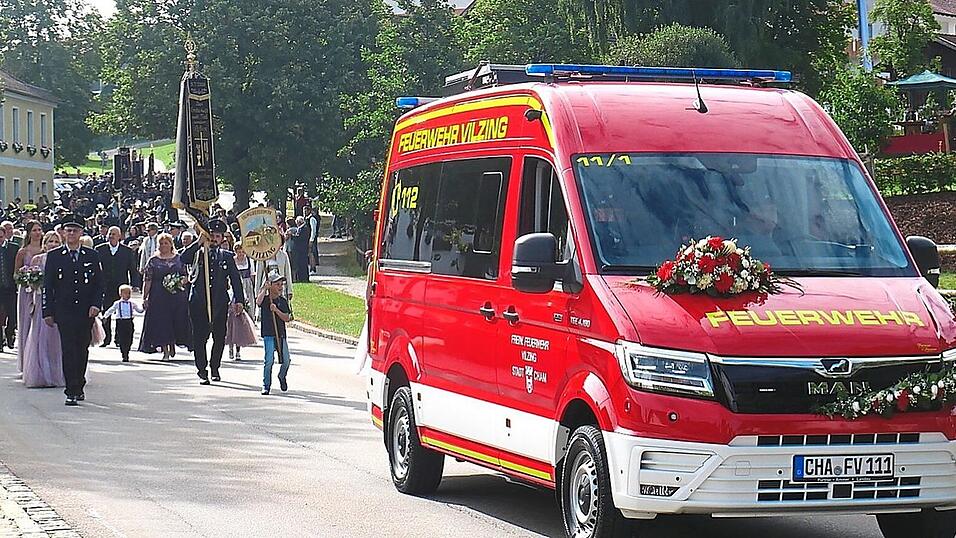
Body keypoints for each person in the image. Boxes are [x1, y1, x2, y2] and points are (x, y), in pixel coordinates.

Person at [42, 214, 104, 406]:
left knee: (82, 348)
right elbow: (48, 286)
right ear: (63, 233)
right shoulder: (54, 256)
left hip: (85, 311)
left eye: (75, 231)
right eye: (68, 231)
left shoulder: (91, 255)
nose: (71, 234)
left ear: (81, 233)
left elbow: (99, 284)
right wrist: (47, 311)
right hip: (64, 310)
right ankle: (71, 389)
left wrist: (96, 304)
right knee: (68, 349)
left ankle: (79, 383)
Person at [181, 219, 245, 384]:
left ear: (222, 238)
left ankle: (215, 366)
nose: (214, 239)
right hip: (199, 302)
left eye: (218, 236)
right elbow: (183, 258)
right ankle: (202, 370)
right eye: (212, 235)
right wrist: (198, 242)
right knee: (199, 337)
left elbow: (235, 279)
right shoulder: (198, 253)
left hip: (219, 303)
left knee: (219, 337)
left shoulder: (227, 256)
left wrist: (239, 300)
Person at [22, 231, 65, 388]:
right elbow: (30, 283)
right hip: (41, 301)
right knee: (40, 335)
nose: (53, 244)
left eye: (56, 241)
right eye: (50, 241)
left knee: (57, 338)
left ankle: (58, 372)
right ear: (44, 244)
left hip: (59, 302)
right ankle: (41, 373)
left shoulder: (63, 259)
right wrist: (34, 282)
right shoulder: (38, 259)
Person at [138, 233, 190, 360]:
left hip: (177, 295)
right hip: (158, 296)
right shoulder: (153, 260)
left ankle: (172, 343)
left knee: (176, 320)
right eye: (161, 243)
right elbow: (147, 280)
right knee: (162, 322)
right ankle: (165, 350)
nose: (163, 246)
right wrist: (145, 297)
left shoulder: (179, 259)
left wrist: (180, 281)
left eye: (166, 243)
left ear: (171, 244)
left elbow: (187, 275)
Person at [96, 226, 139, 348]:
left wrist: (135, 284)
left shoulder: (127, 251)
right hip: (106, 286)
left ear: (119, 236)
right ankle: (106, 338)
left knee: (121, 314)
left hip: (121, 287)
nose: (111, 236)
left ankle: (119, 339)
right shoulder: (100, 249)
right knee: (106, 312)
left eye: (114, 234)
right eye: (110, 234)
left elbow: (132, 268)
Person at [14, 221, 43, 372]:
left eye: (39, 230)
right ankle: (26, 362)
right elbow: (16, 274)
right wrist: (27, 279)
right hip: (26, 293)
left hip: (41, 292)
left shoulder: (46, 249)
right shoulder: (23, 252)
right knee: (27, 323)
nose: (38, 233)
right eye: (34, 230)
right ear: (29, 233)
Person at [256, 273, 292, 395]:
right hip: (268, 334)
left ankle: (282, 376)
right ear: (270, 285)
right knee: (269, 360)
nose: (280, 287)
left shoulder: (282, 301)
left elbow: (287, 318)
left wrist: (276, 310)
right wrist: (264, 289)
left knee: (286, 360)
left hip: (280, 334)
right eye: (277, 284)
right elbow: (258, 302)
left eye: (281, 285)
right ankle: (266, 385)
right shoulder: (266, 299)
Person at [229, 242, 256, 360]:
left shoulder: (249, 261)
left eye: (242, 252)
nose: (240, 254)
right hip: (233, 290)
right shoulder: (232, 261)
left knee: (242, 320)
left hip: (246, 286)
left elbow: (252, 276)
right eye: (238, 252)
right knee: (231, 320)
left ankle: (238, 348)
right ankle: (231, 346)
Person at [103, 284, 143, 362]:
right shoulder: (117, 303)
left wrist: (143, 308)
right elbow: (111, 310)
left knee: (129, 337)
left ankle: (127, 349)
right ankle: (124, 353)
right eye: (126, 293)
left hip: (129, 321)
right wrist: (105, 316)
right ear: (120, 294)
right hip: (120, 322)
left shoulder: (132, 303)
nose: (128, 295)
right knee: (122, 338)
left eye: (129, 293)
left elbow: (139, 310)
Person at [0, 222, 20, 351]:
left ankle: (10, 333)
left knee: (12, 314)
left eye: (1, 237)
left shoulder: (13, 248)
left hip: (10, 287)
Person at [254, 240, 293, 304]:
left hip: (280, 288)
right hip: (267, 289)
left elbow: (288, 274)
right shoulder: (262, 256)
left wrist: (289, 291)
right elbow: (258, 275)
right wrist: (257, 293)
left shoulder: (284, 255)